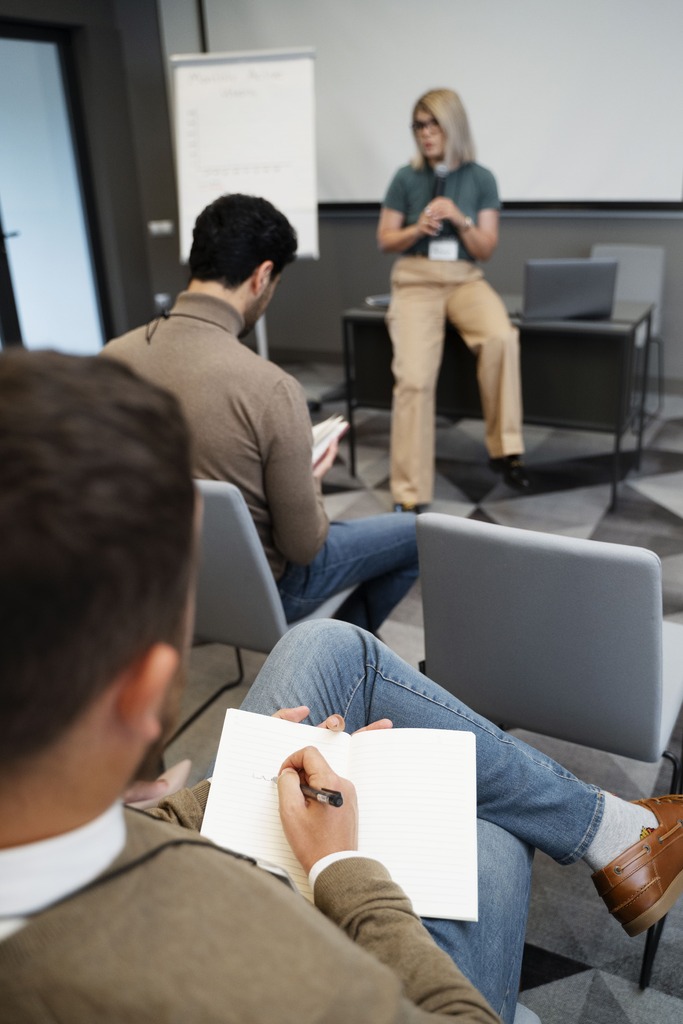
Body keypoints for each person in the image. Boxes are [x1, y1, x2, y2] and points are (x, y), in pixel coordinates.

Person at [2, 352, 682, 1024]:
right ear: (139, 694)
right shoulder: (258, 982)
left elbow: (134, 836)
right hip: (300, 930)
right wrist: (339, 868)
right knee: (478, 824)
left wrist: (219, 792)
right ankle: (613, 833)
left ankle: (610, 830)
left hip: (160, 849)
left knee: (328, 647)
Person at [102, 192, 418, 634]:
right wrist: (309, 479)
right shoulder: (270, 389)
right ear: (263, 274)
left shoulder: (112, 359)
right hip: (266, 591)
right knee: (418, 534)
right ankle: (328, 657)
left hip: (155, 583)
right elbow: (304, 547)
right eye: (275, 284)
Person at [377, 88, 528, 511]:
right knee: (413, 378)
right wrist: (417, 229)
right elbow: (385, 240)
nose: (425, 134)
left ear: (453, 126)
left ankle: (506, 448)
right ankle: (409, 494)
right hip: (415, 279)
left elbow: (485, 248)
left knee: (501, 338)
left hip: (464, 278)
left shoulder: (481, 178)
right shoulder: (404, 178)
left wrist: (458, 217)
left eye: (433, 124)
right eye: (418, 125)